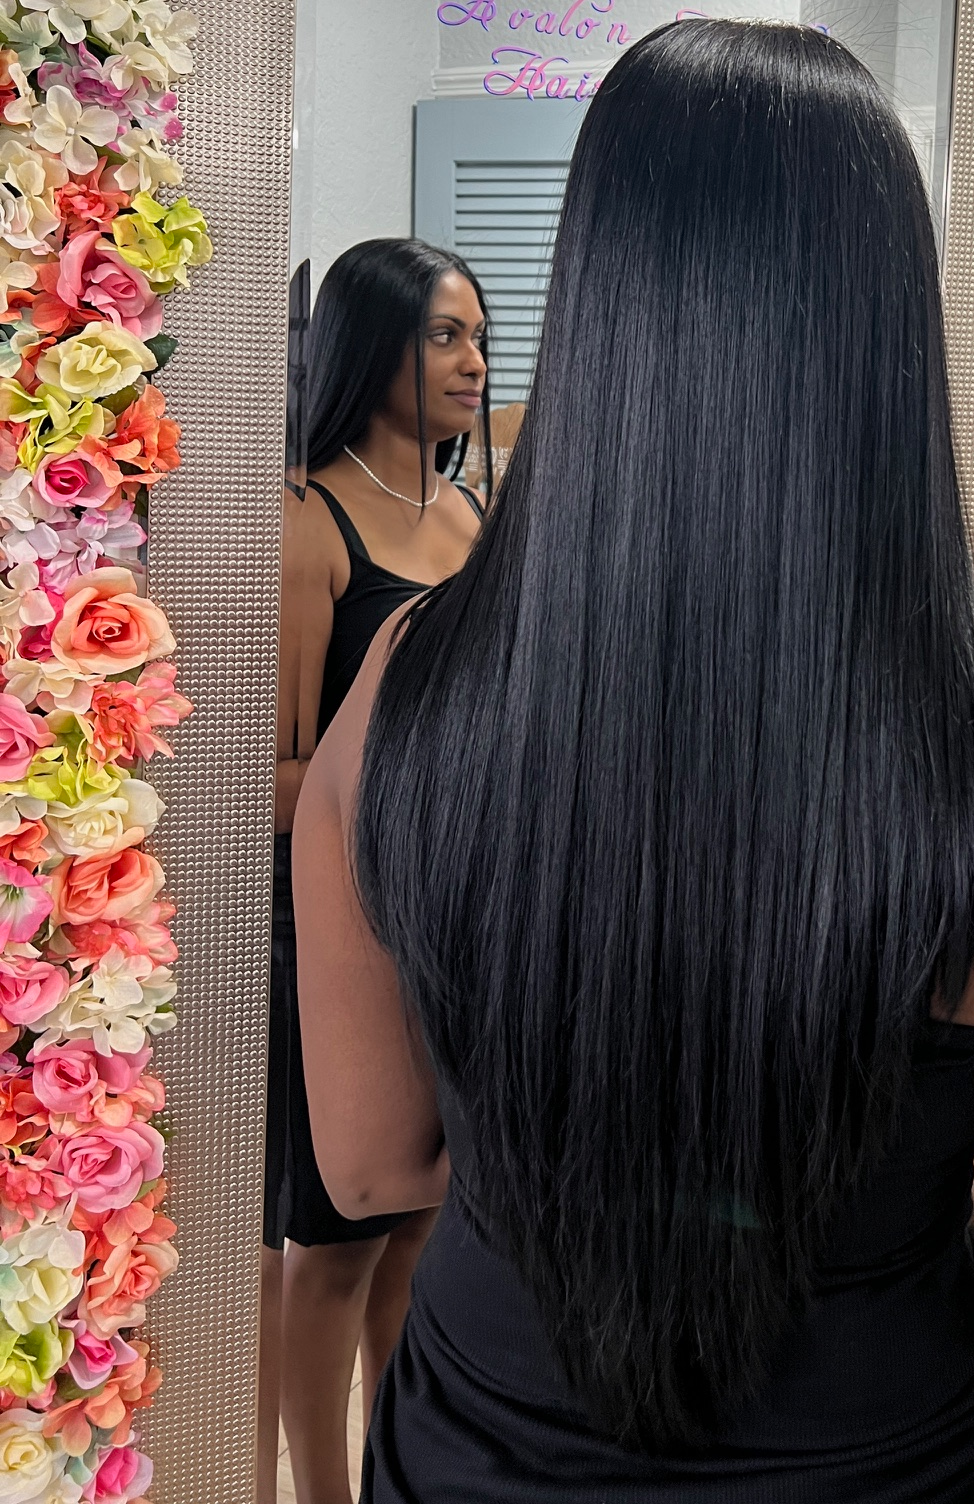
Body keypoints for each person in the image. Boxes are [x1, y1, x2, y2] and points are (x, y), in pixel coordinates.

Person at [295, 21, 974, 1503]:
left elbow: (371, 1170)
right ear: (889, 332)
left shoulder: (412, 679)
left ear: (594, 304)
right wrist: (941, 1210)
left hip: (477, 1460)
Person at [263, 238, 490, 1504]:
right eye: (442, 335)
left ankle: (405, 1474)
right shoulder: (309, 518)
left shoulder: (470, 512)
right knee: (331, 1244)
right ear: (374, 346)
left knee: (425, 1223)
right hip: (340, 931)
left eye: (474, 334)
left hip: (455, 925)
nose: (470, 360)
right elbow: (275, 777)